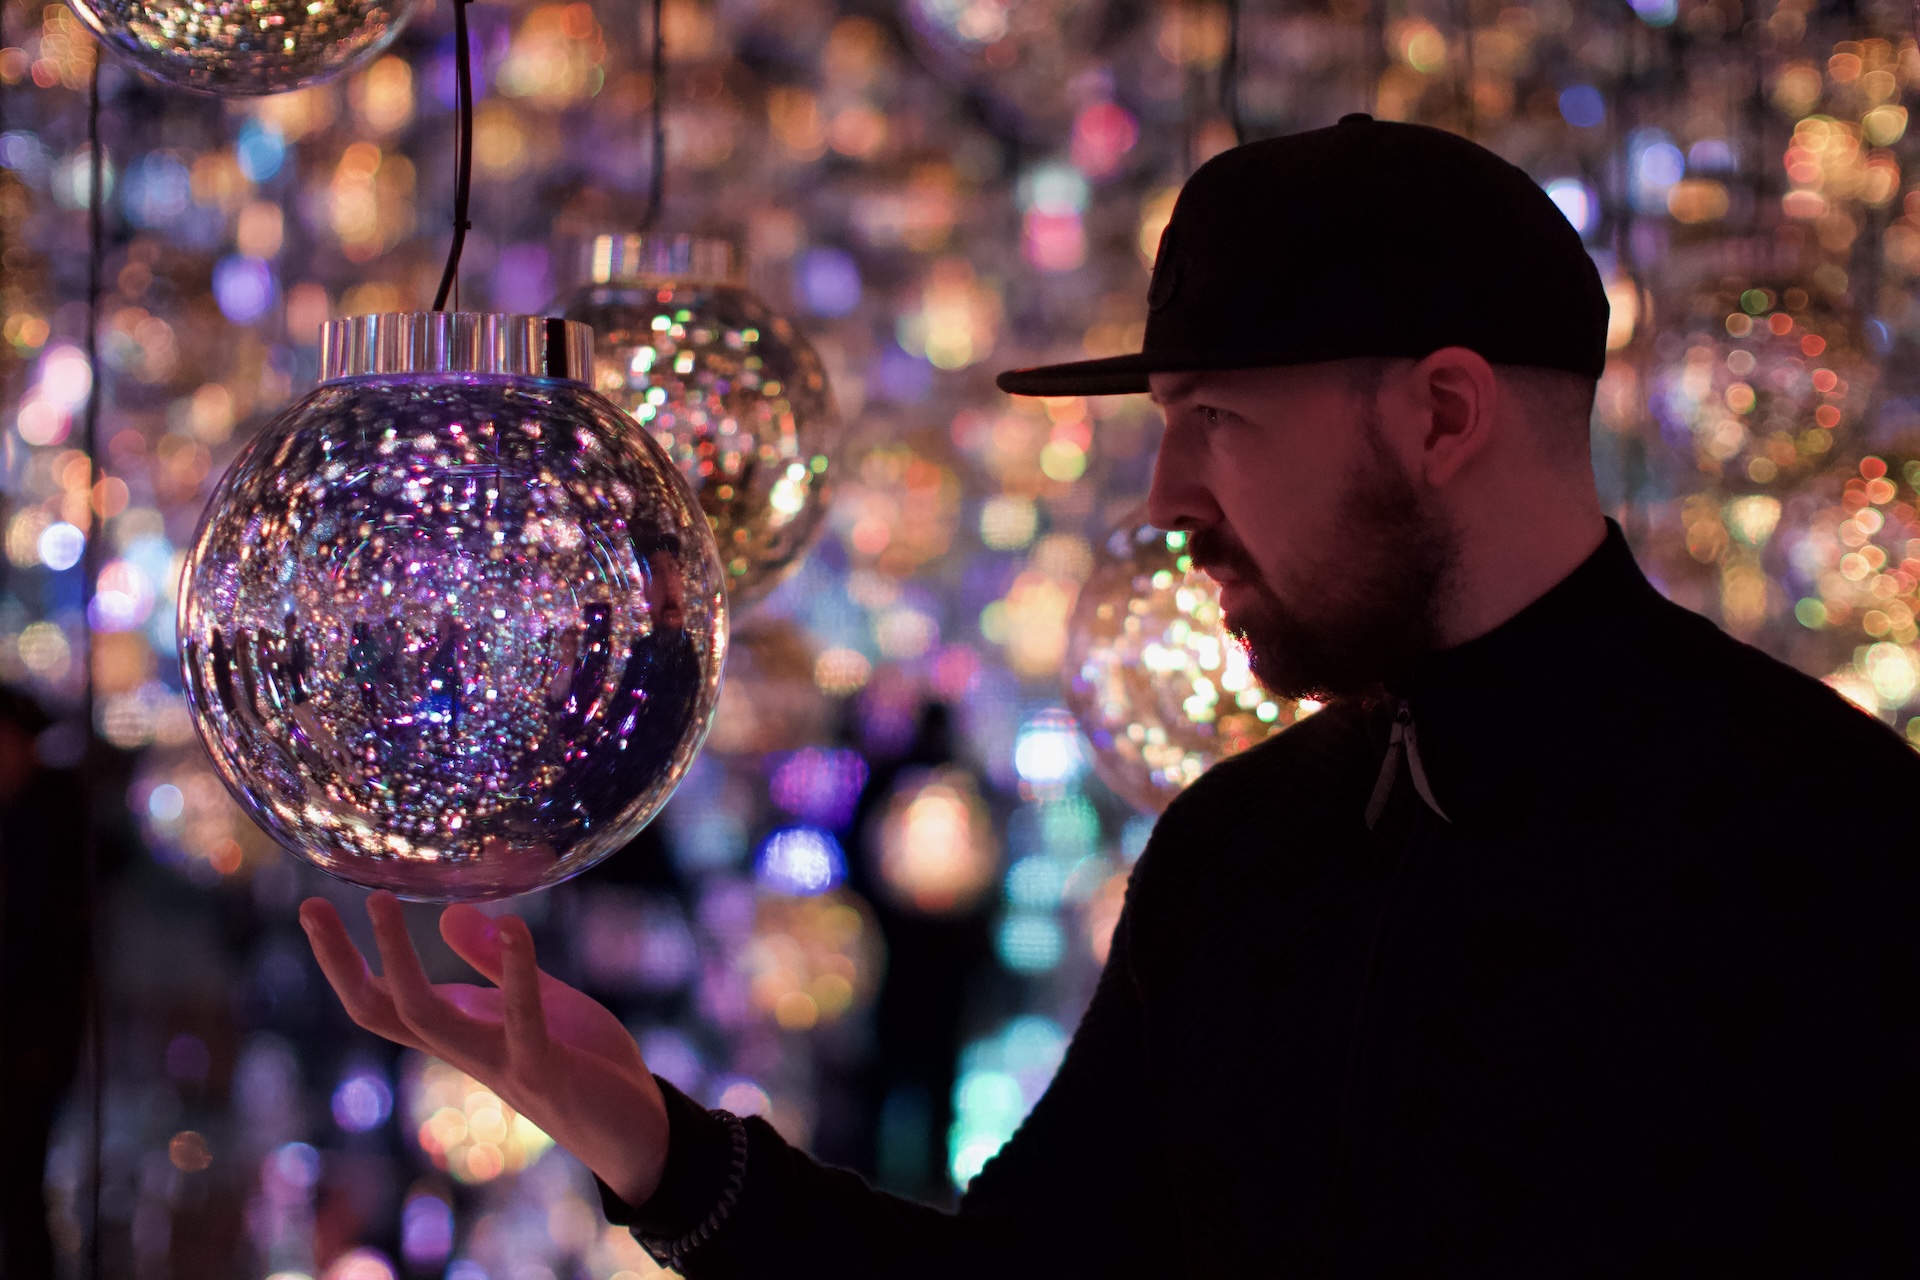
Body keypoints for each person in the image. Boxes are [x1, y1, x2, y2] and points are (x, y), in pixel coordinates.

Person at [299, 118, 1920, 1275]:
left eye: (1217, 417)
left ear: (1441, 414)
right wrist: (651, 1144)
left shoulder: (1827, 843)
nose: (1163, 495)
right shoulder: (1246, 850)